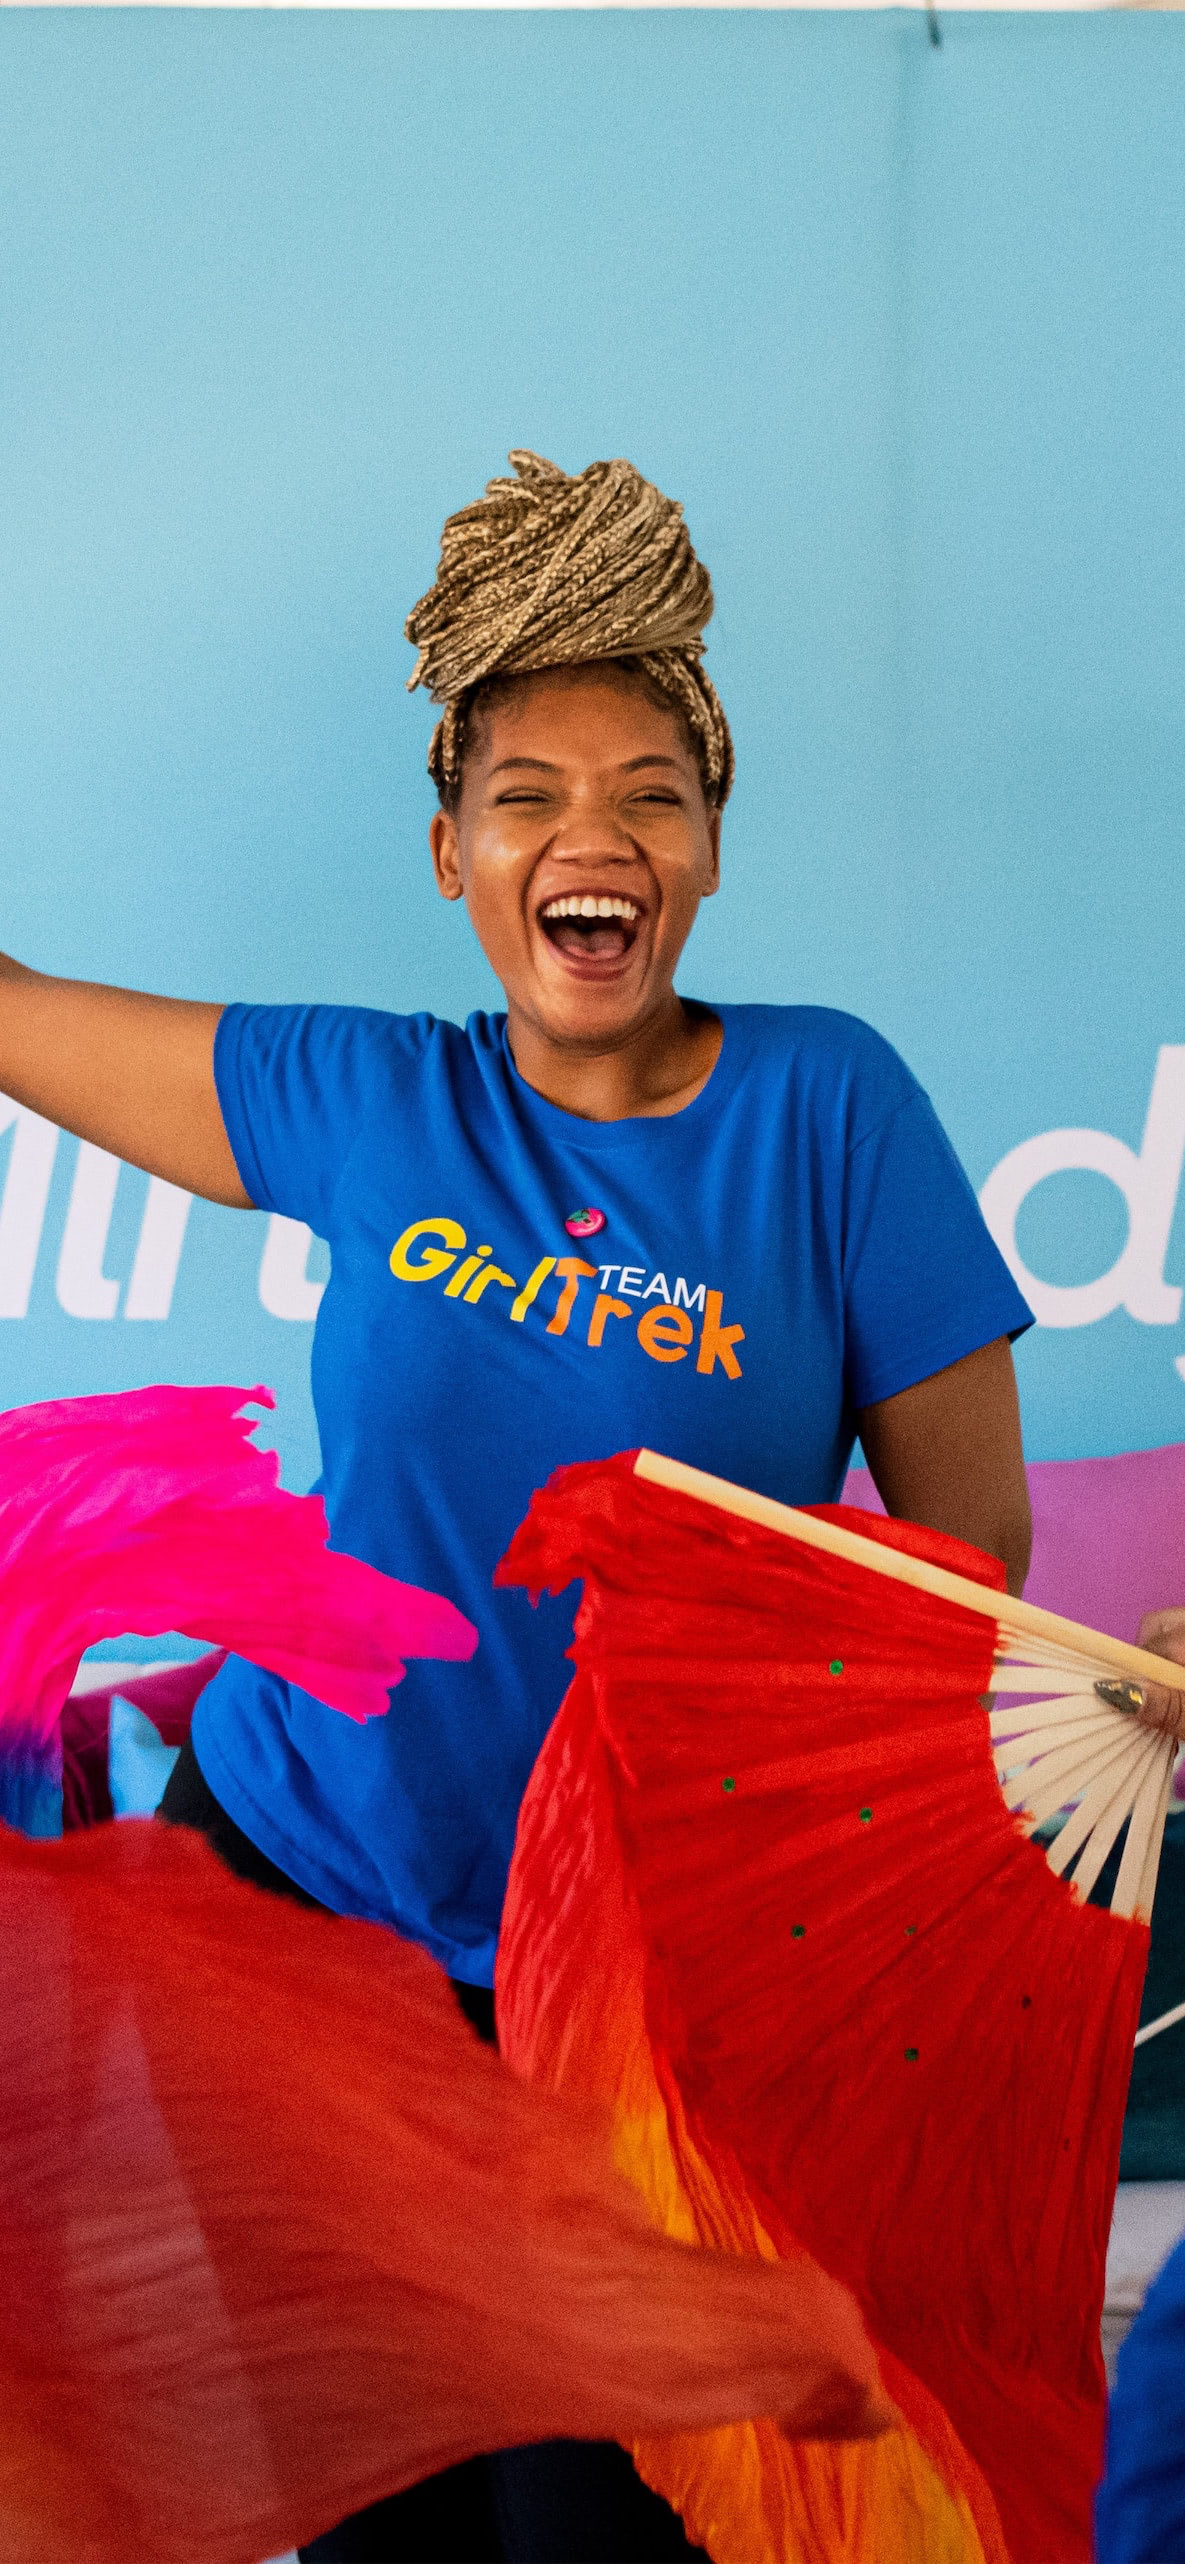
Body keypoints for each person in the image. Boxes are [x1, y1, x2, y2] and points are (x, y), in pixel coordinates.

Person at [0, 447, 1038, 2563]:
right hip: (316, 1924)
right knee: (381, 2513)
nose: (596, 834)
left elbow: (965, 1568)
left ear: (710, 848)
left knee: (595, 2530)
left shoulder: (830, 1110)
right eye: (531, 795)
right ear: (454, 855)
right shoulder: (366, 1095)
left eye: (652, 790)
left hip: (646, 1996)